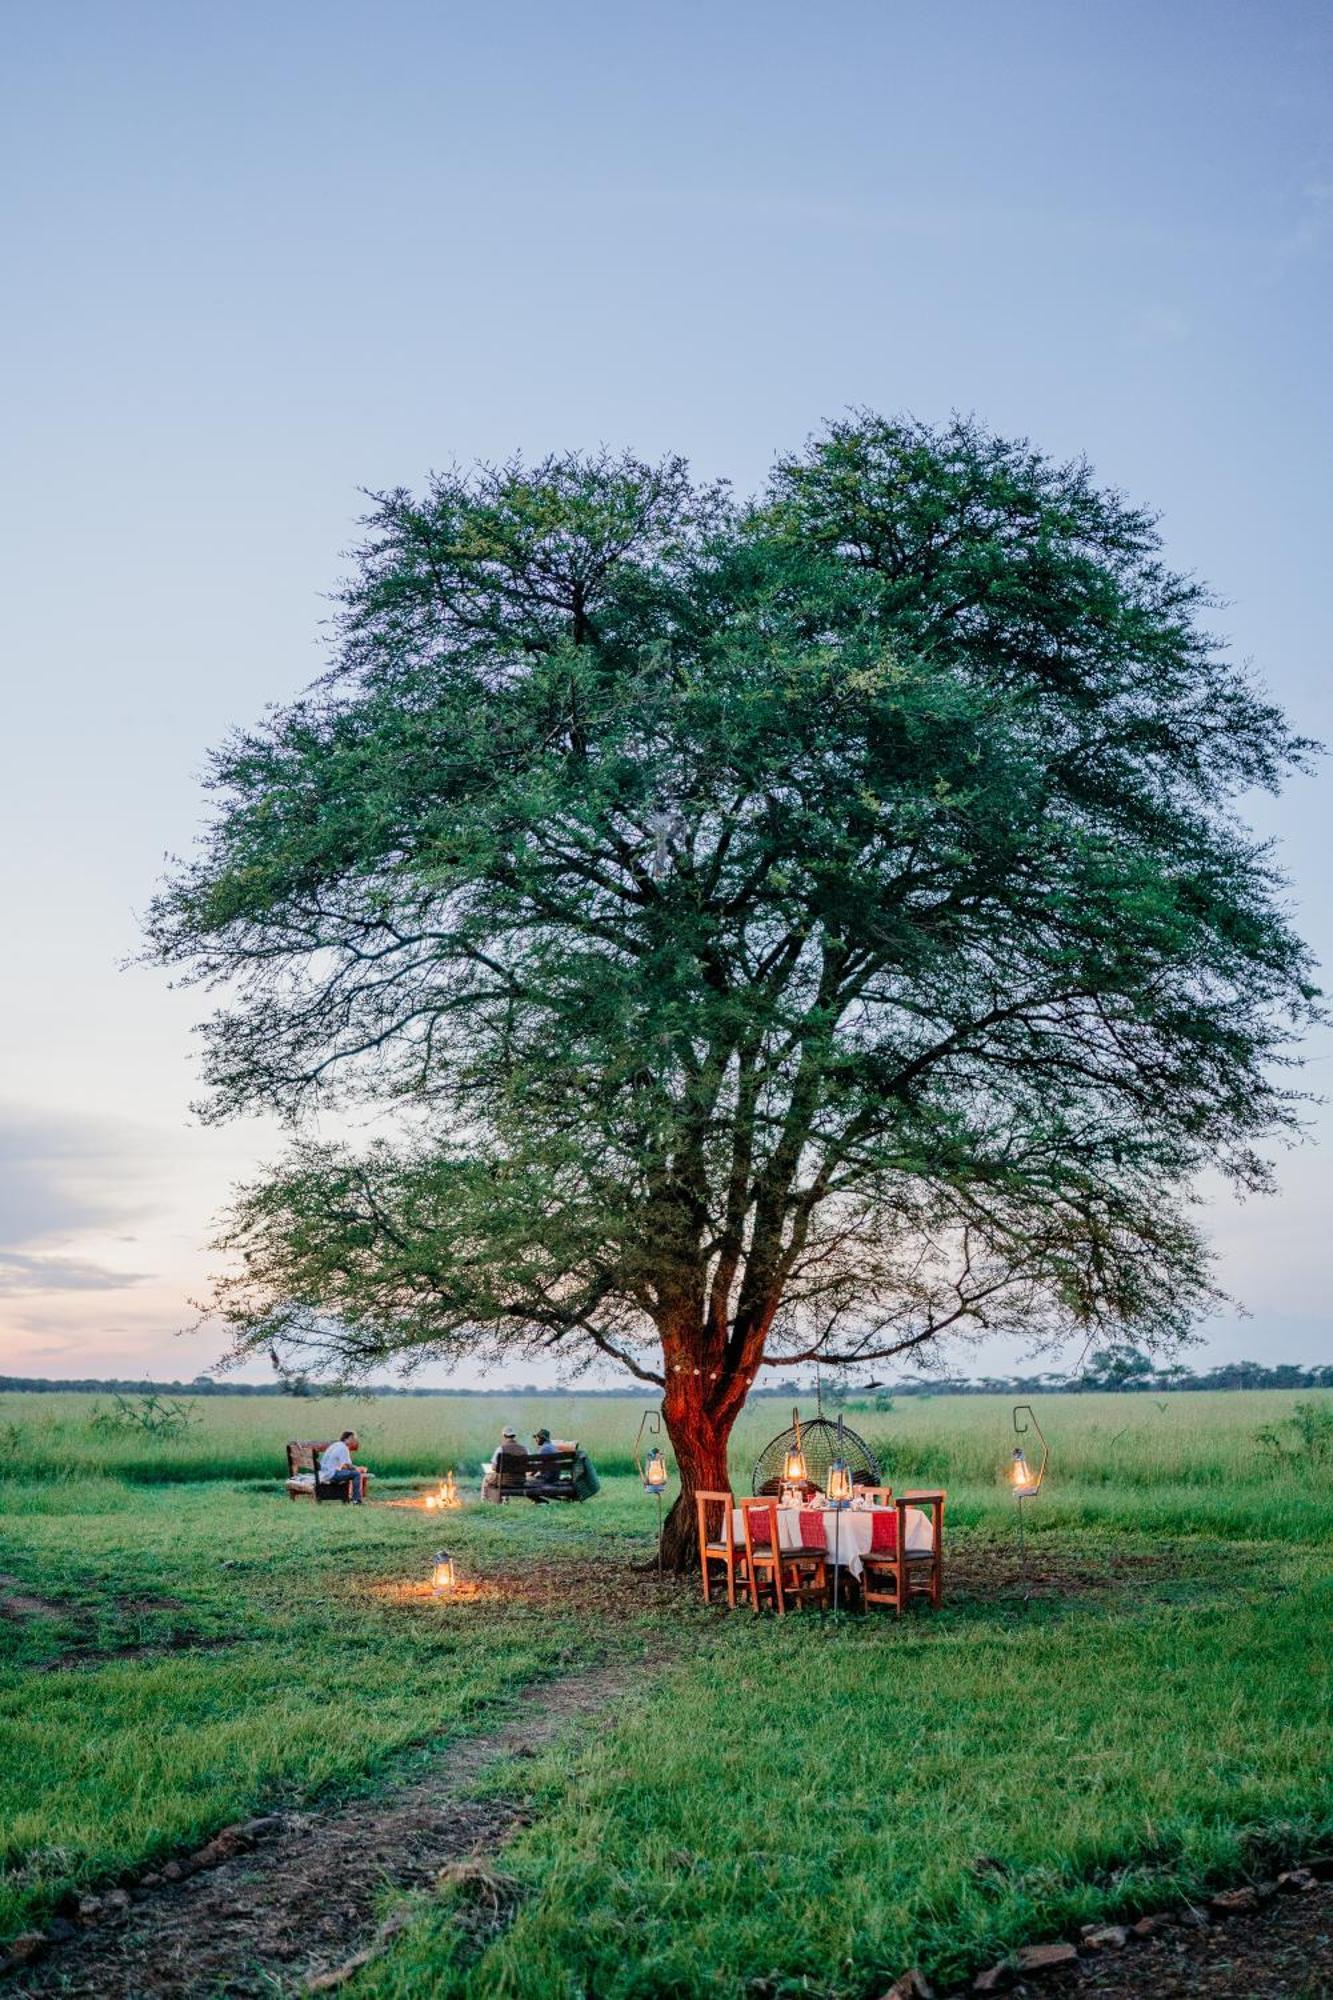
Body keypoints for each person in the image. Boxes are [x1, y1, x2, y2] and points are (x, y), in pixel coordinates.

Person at [318, 1431, 368, 1503]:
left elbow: (344, 1465)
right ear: (346, 1439)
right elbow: (348, 1466)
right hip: (331, 1474)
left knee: (351, 1473)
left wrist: (355, 1468)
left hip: (323, 1472)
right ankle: (356, 1500)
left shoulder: (335, 1445)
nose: (354, 1441)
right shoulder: (343, 1448)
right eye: (352, 1439)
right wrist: (359, 1469)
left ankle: (350, 1497)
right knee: (356, 1474)